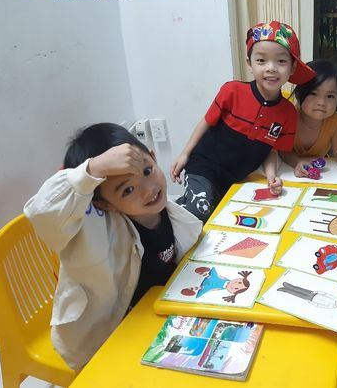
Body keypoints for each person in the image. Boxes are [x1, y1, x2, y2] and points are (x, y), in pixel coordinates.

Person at [24, 123, 203, 369]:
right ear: (105, 204)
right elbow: (40, 211)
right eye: (128, 189)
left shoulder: (169, 212)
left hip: (158, 314)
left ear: (153, 157)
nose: (148, 189)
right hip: (111, 336)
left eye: (147, 171)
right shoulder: (92, 231)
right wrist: (93, 169)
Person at [171, 21, 315, 221]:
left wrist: (271, 176)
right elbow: (207, 121)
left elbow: (272, 150)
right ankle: (168, 217)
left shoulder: (288, 113)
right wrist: (184, 154)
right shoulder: (232, 91)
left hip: (235, 179)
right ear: (250, 64)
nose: (271, 68)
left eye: (281, 61)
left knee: (230, 219)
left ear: (293, 68)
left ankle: (183, 206)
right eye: (261, 60)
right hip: (204, 167)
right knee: (200, 212)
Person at [280, 59, 337, 177]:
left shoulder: (334, 120)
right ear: (299, 94)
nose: (322, 102)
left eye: (330, 96)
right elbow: (283, 151)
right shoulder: (290, 117)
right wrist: (298, 162)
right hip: (286, 173)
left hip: (319, 176)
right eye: (313, 93)